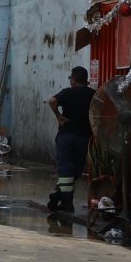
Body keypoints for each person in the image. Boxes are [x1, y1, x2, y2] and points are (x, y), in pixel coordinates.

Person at [46, 66, 93, 215]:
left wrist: (58, 116)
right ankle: (59, 196)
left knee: (66, 170)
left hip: (66, 136)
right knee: (75, 170)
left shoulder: (67, 92)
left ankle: (65, 200)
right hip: (85, 138)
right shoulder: (94, 94)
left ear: (73, 79)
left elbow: (52, 101)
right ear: (86, 80)